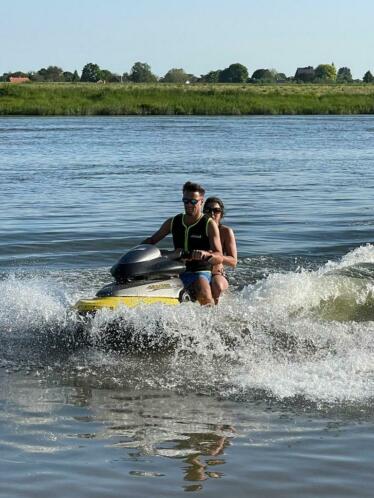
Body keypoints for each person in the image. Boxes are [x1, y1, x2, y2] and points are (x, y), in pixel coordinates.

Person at [142, 181, 223, 305]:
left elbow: (219, 256)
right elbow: (152, 240)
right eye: (185, 201)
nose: (189, 205)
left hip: (199, 271)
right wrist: (137, 250)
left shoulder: (209, 224)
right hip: (176, 270)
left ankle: (210, 320)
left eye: (193, 201)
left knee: (204, 292)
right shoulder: (173, 221)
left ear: (201, 201)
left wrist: (205, 254)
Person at [203, 197, 237, 303]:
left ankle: (216, 316)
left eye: (216, 210)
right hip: (197, 270)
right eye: (208, 210)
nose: (212, 213)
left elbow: (233, 261)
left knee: (217, 286)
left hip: (217, 273)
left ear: (221, 214)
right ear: (203, 213)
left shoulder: (226, 232)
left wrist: (213, 256)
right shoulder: (196, 229)